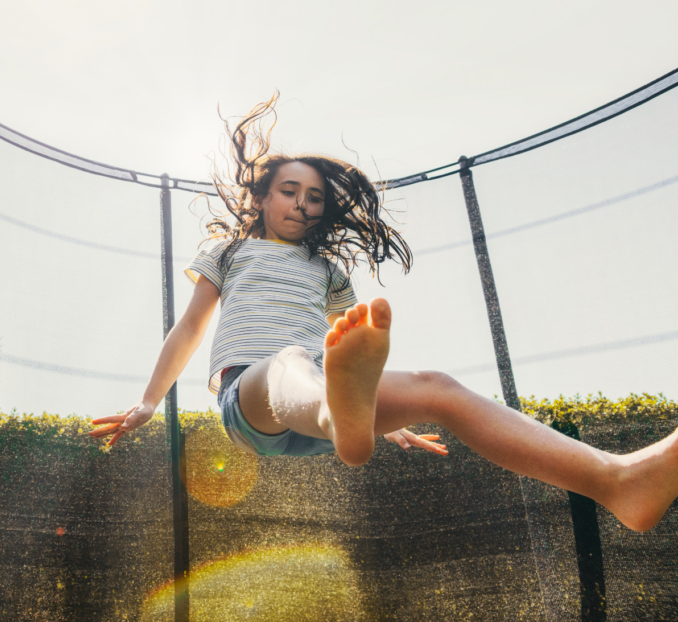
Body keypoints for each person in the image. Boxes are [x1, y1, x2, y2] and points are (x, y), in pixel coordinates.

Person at [90, 94, 678, 532]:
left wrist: (387, 417)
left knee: (437, 387)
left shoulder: (328, 272)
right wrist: (148, 400)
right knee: (295, 359)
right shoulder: (231, 252)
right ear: (263, 196)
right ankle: (338, 413)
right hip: (252, 398)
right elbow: (191, 326)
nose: (302, 202)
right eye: (290, 189)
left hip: (322, 405)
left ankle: (618, 481)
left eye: (315, 197)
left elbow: (348, 347)